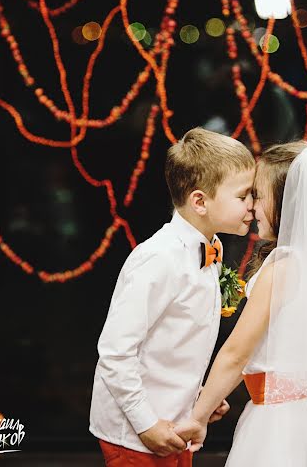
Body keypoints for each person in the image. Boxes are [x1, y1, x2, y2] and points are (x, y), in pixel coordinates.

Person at [175, 141, 307, 466]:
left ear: (286, 201)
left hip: (283, 424)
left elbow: (237, 354)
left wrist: (197, 416)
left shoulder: (285, 266)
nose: (251, 207)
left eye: (258, 196)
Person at [89, 127, 255, 466]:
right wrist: (146, 423)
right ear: (199, 201)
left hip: (178, 424)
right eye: (243, 196)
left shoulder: (213, 248)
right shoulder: (158, 259)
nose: (253, 205)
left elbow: (175, 340)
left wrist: (198, 397)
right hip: (136, 434)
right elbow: (115, 352)